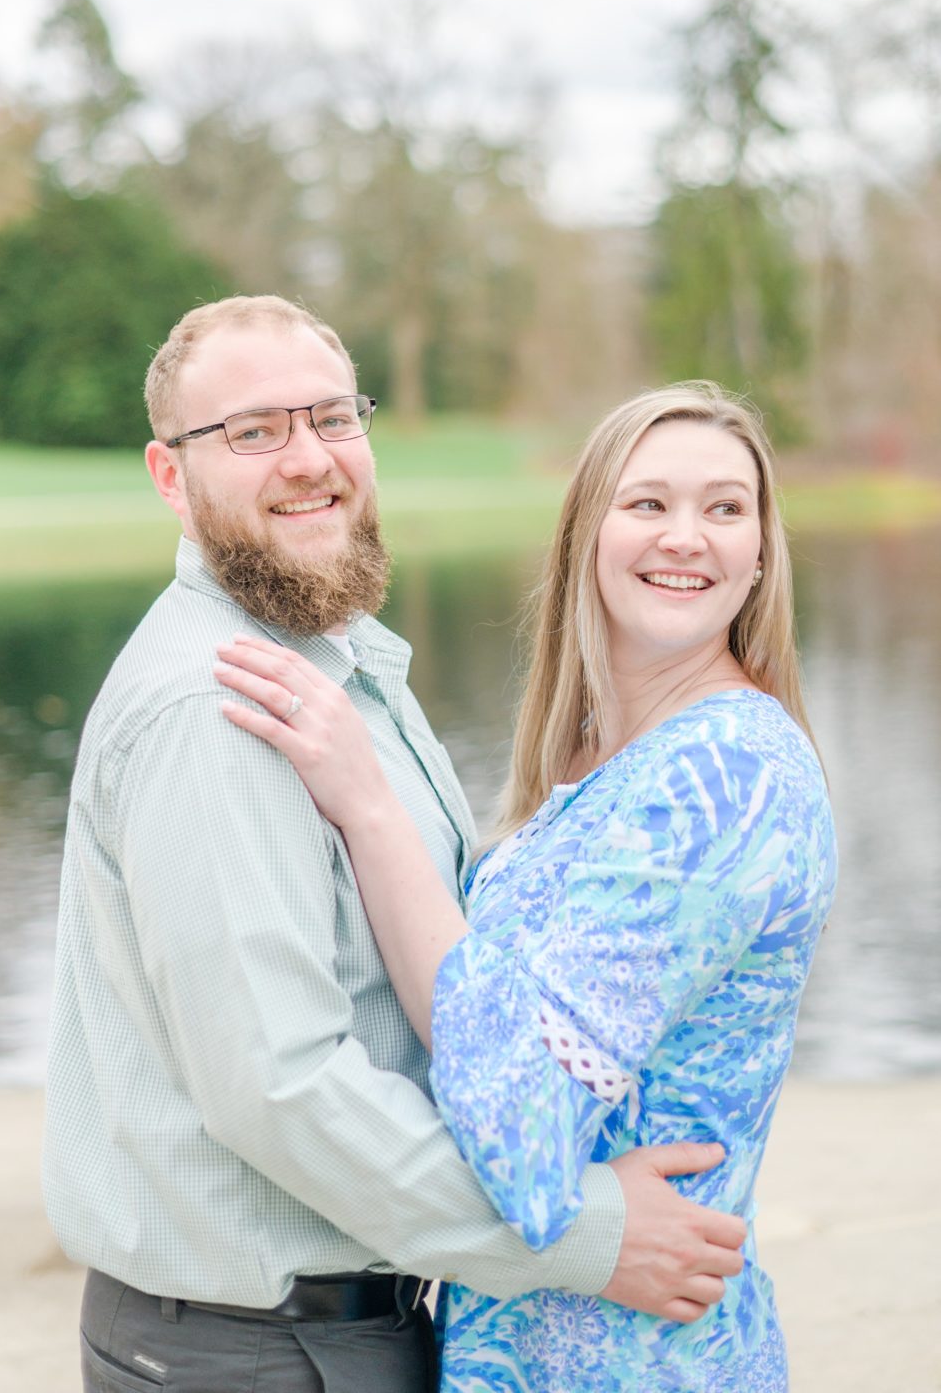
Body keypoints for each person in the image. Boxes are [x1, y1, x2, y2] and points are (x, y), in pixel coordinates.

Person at [43, 299, 746, 1393]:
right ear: (169, 477)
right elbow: (282, 1090)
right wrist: (580, 1235)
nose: (309, 460)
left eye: (331, 417)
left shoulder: (331, 659)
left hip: (316, 1333)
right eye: (254, 432)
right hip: (259, 1354)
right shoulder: (218, 707)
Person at [215, 379, 837, 1392]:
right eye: (647, 504)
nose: (686, 535)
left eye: (724, 508)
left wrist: (367, 807)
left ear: (759, 552)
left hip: (636, 1361)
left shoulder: (721, 778)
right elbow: (481, 1017)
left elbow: (515, 1124)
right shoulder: (610, 756)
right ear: (583, 532)